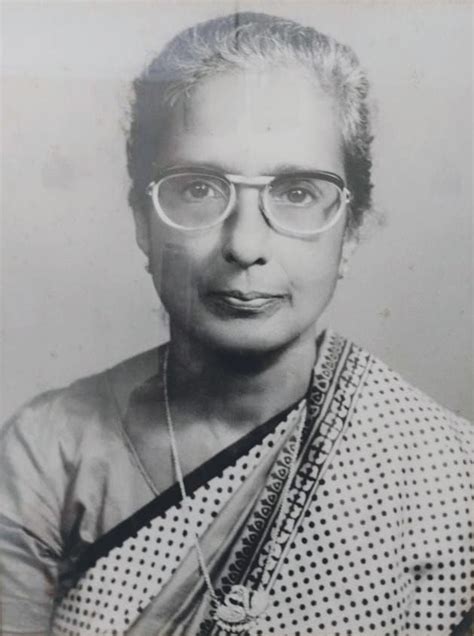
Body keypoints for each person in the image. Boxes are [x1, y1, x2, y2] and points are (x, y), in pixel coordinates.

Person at [0, 11, 472, 636]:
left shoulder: (449, 479)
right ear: (143, 221)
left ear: (352, 229)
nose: (245, 245)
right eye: (199, 188)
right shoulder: (50, 451)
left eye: (297, 192)